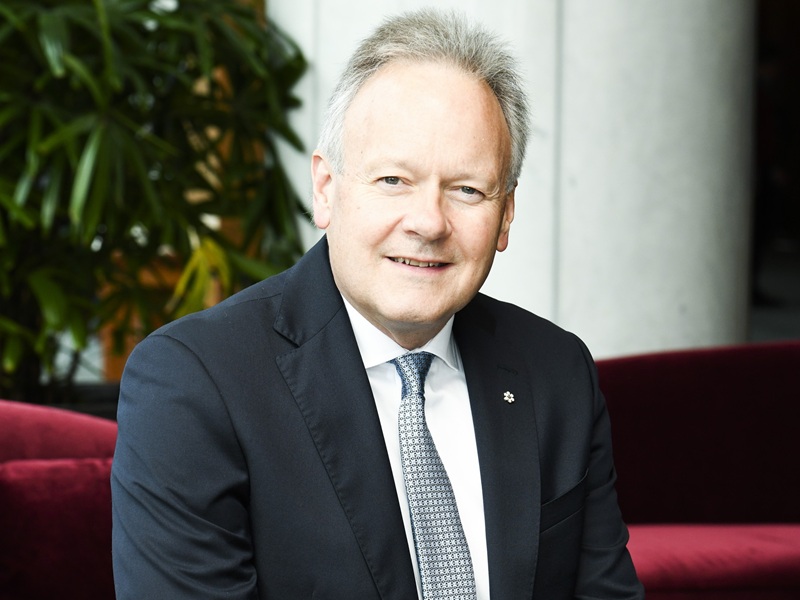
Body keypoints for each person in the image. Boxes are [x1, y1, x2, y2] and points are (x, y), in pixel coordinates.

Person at [111, 8, 644, 599]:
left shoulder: (556, 371)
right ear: (326, 188)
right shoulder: (195, 382)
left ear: (506, 215)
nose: (428, 222)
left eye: (467, 189)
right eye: (394, 180)